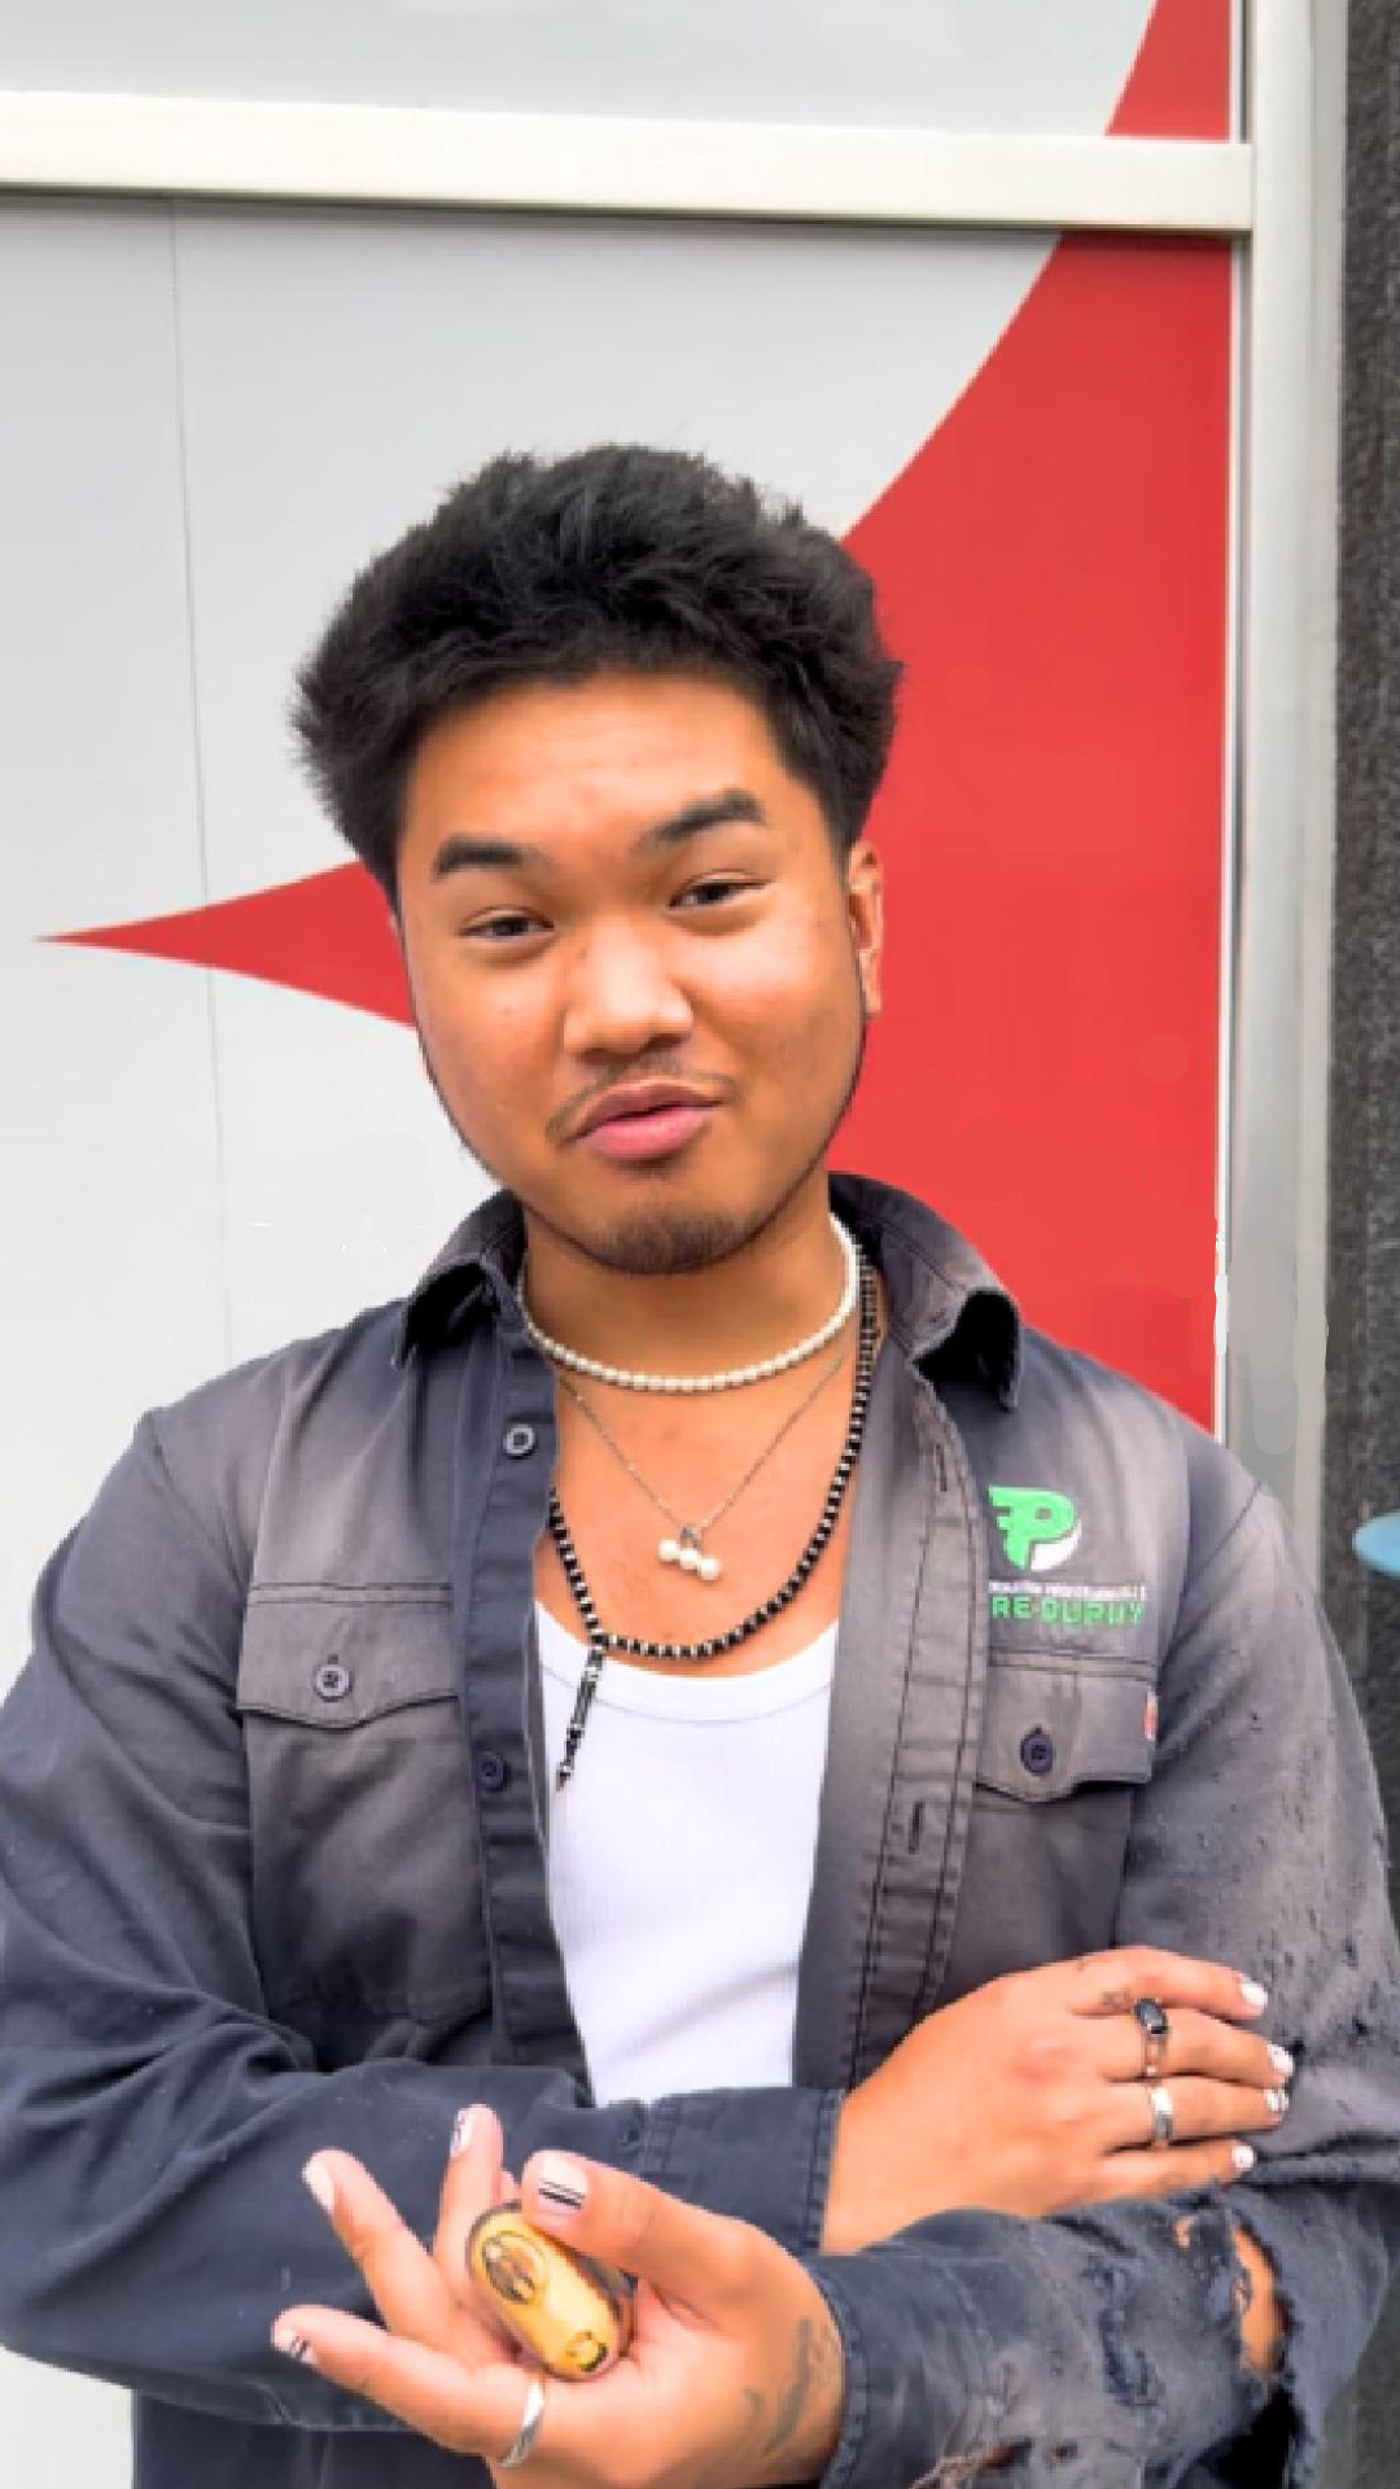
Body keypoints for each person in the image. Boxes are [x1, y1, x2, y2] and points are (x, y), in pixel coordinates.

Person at [0, 445, 1396, 2489]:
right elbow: (52, 2136)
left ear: (855, 917)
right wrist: (836, 2166)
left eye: (709, 890)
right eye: (507, 921)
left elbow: (1298, 2215)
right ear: (409, 979)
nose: (621, 999)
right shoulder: (222, 1508)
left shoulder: (1161, 1527)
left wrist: (838, 2372)